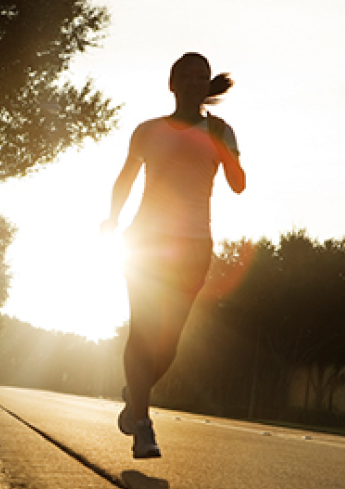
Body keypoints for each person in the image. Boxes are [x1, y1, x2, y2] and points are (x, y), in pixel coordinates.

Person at [100, 52, 246, 458]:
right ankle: (142, 425)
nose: (194, 82)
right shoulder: (148, 131)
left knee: (168, 346)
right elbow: (125, 178)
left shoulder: (221, 130)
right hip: (146, 243)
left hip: (194, 246)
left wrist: (223, 148)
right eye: (186, 75)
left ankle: (135, 397)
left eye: (202, 77)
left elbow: (238, 184)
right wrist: (112, 218)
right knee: (143, 332)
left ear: (207, 85)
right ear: (172, 83)